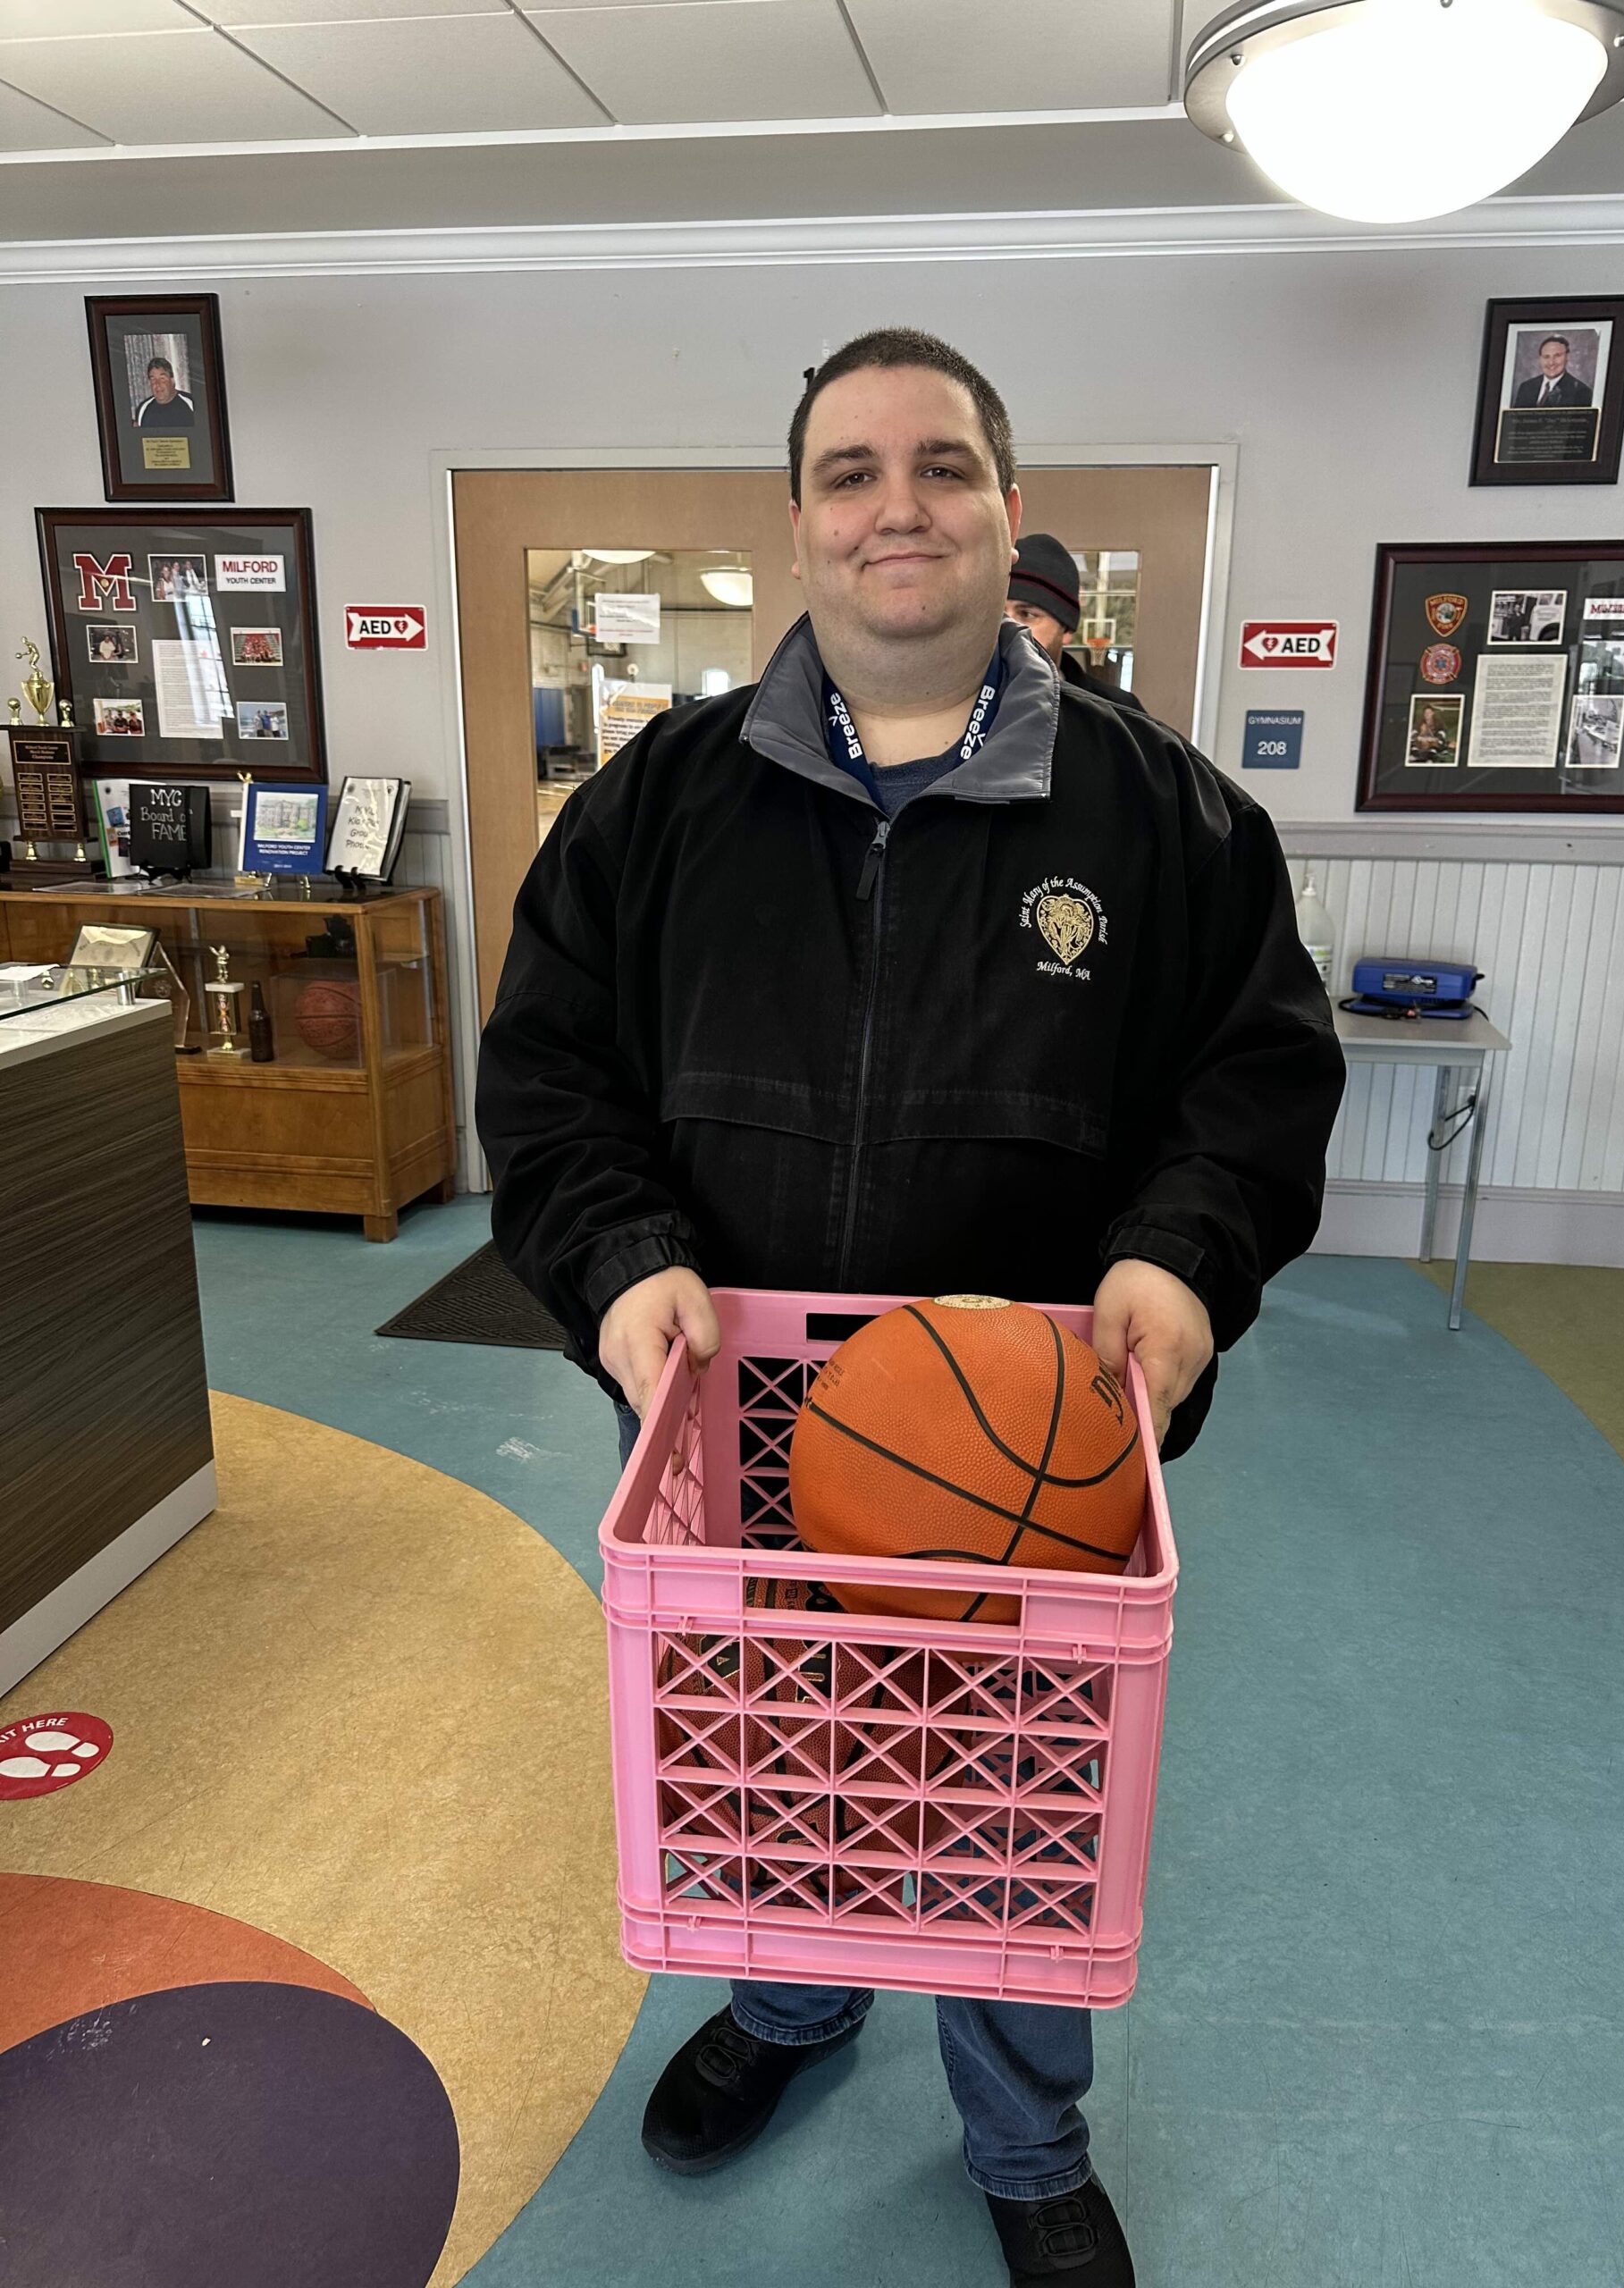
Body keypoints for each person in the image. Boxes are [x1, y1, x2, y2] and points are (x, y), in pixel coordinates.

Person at [476, 326, 1343, 2287]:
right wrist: (619, 1262)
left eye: (943, 466)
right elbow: (547, 1078)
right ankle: (792, 2006)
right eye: (852, 471)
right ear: (796, 523)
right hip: (743, 1426)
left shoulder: (1168, 818)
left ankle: (1025, 2136)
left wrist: (1182, 1259)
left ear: (1009, 510)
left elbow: (1256, 1080)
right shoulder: (657, 803)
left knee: (1014, 1796)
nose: (900, 506)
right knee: (780, 1755)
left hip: (1024, 1446)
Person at [1004, 531, 1148, 716]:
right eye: (998, 614)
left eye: (1027, 614)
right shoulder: (968, 701)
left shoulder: (1116, 714)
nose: (1006, 627)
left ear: (1066, 630)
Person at [1511, 333, 1593, 408]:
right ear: (1540, 359)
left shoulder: (1581, 392)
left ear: (1567, 357)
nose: (1551, 362)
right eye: (1546, 357)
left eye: (1557, 356)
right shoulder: (1526, 387)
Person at [133, 355, 197, 433]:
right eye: (153, 379)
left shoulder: (192, 404)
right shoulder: (143, 409)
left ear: (172, 380)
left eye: (162, 379)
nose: (157, 384)